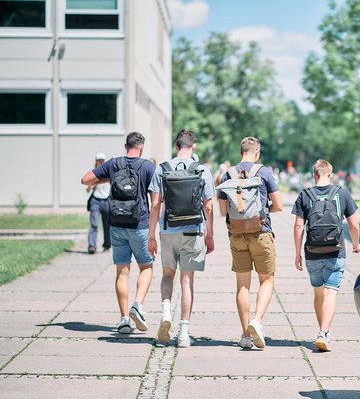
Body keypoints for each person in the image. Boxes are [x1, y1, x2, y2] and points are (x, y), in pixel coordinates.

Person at [81, 132, 156, 334]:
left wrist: (108, 179)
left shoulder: (113, 164)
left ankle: (124, 320)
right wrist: (153, 232)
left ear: (126, 146)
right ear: (141, 147)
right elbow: (157, 200)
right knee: (146, 268)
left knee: (122, 272)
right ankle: (137, 306)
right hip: (139, 225)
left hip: (116, 224)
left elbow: (85, 180)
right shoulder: (148, 166)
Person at [148, 130, 215, 348]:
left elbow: (155, 205)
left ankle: (166, 311)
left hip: (168, 231)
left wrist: (151, 236)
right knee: (187, 280)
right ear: (193, 146)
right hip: (193, 231)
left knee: (168, 276)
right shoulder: (202, 170)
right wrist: (210, 234)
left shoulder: (162, 168)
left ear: (176, 146)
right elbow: (208, 205)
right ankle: (184, 333)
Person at [218, 136, 283, 349]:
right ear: (257, 153)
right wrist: (263, 211)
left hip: (236, 234)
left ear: (240, 152)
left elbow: (222, 210)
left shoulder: (227, 174)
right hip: (261, 232)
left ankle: (245, 334)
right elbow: (279, 205)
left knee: (242, 284)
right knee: (266, 280)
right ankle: (257, 321)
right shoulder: (264, 172)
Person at [292, 159, 360, 352]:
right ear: (330, 175)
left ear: (314, 175)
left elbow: (298, 226)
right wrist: (355, 244)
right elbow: (354, 224)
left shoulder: (304, 195)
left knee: (318, 292)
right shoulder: (341, 193)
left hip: (312, 252)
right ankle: (324, 333)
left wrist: (297, 253)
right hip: (335, 250)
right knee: (331, 292)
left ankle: (322, 330)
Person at [86, 152, 111, 254]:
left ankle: (107, 244)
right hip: (95, 201)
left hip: (107, 200)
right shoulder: (93, 173)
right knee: (94, 224)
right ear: (96, 162)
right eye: (99, 161)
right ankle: (92, 246)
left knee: (107, 225)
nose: (100, 162)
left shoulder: (109, 173)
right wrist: (91, 185)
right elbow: (87, 189)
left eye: (102, 161)